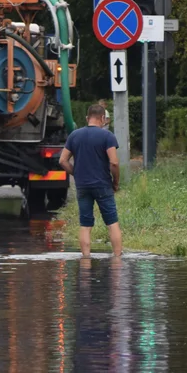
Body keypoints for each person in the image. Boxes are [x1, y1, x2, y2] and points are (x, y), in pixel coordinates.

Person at [59, 103, 123, 258]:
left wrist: (77, 173)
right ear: (103, 118)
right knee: (112, 222)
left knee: (85, 224)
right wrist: (115, 182)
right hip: (103, 185)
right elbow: (114, 163)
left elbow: (62, 161)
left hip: (83, 186)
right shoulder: (107, 136)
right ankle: (117, 258)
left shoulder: (75, 135)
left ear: (87, 118)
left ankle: (86, 258)